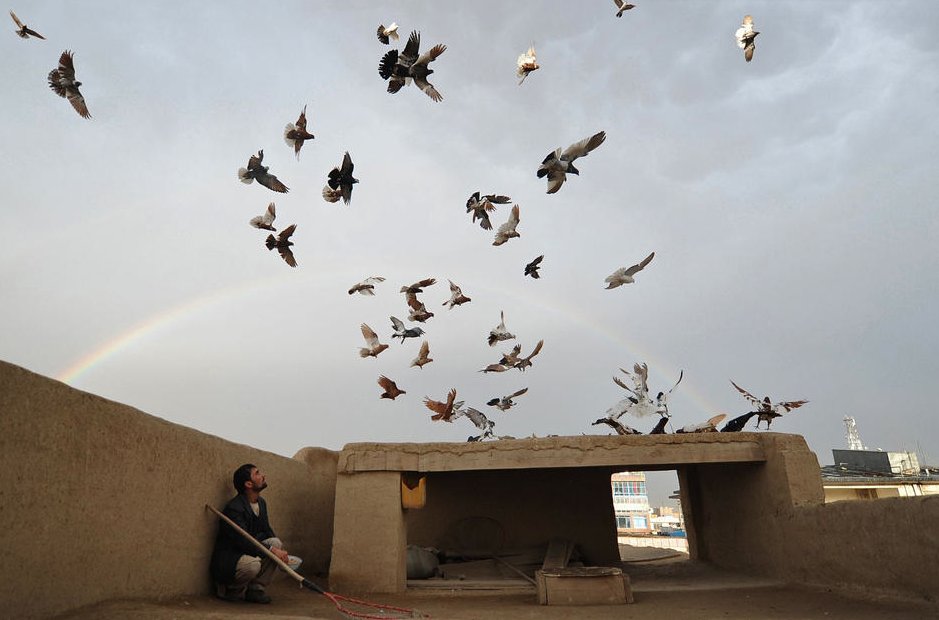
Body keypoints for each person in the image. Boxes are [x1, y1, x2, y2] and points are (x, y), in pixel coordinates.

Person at [210, 463, 291, 604]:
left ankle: (255, 589)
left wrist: (280, 554)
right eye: (257, 473)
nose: (263, 475)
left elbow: (266, 530)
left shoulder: (261, 503)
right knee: (253, 565)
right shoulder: (234, 508)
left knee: (275, 542)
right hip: (232, 558)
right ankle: (230, 590)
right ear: (248, 484)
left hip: (249, 550)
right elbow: (244, 541)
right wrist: (272, 551)